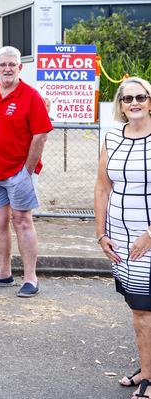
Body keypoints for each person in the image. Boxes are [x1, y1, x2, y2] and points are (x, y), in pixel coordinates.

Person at [0, 46, 52, 298]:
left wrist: (26, 171)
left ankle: (30, 278)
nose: (7, 69)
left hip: (19, 173)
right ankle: (3, 273)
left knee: (22, 221)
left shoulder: (30, 96)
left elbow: (40, 135)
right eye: (3, 65)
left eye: (12, 65)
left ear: (20, 68)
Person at [95, 77, 151, 399]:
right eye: (127, 98)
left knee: (145, 310)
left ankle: (148, 376)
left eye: (141, 97)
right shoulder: (113, 136)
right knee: (139, 308)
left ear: (150, 101)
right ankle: (147, 368)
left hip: (148, 237)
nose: (134, 103)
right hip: (122, 238)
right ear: (120, 104)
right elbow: (103, 186)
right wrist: (101, 233)